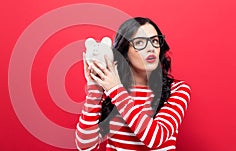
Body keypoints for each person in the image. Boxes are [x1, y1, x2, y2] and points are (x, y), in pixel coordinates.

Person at [75, 17, 191, 151]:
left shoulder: (177, 89)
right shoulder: (111, 91)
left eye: (154, 41)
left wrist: (115, 90)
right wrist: (95, 89)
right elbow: (85, 145)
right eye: (140, 42)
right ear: (124, 51)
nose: (151, 48)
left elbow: (155, 138)